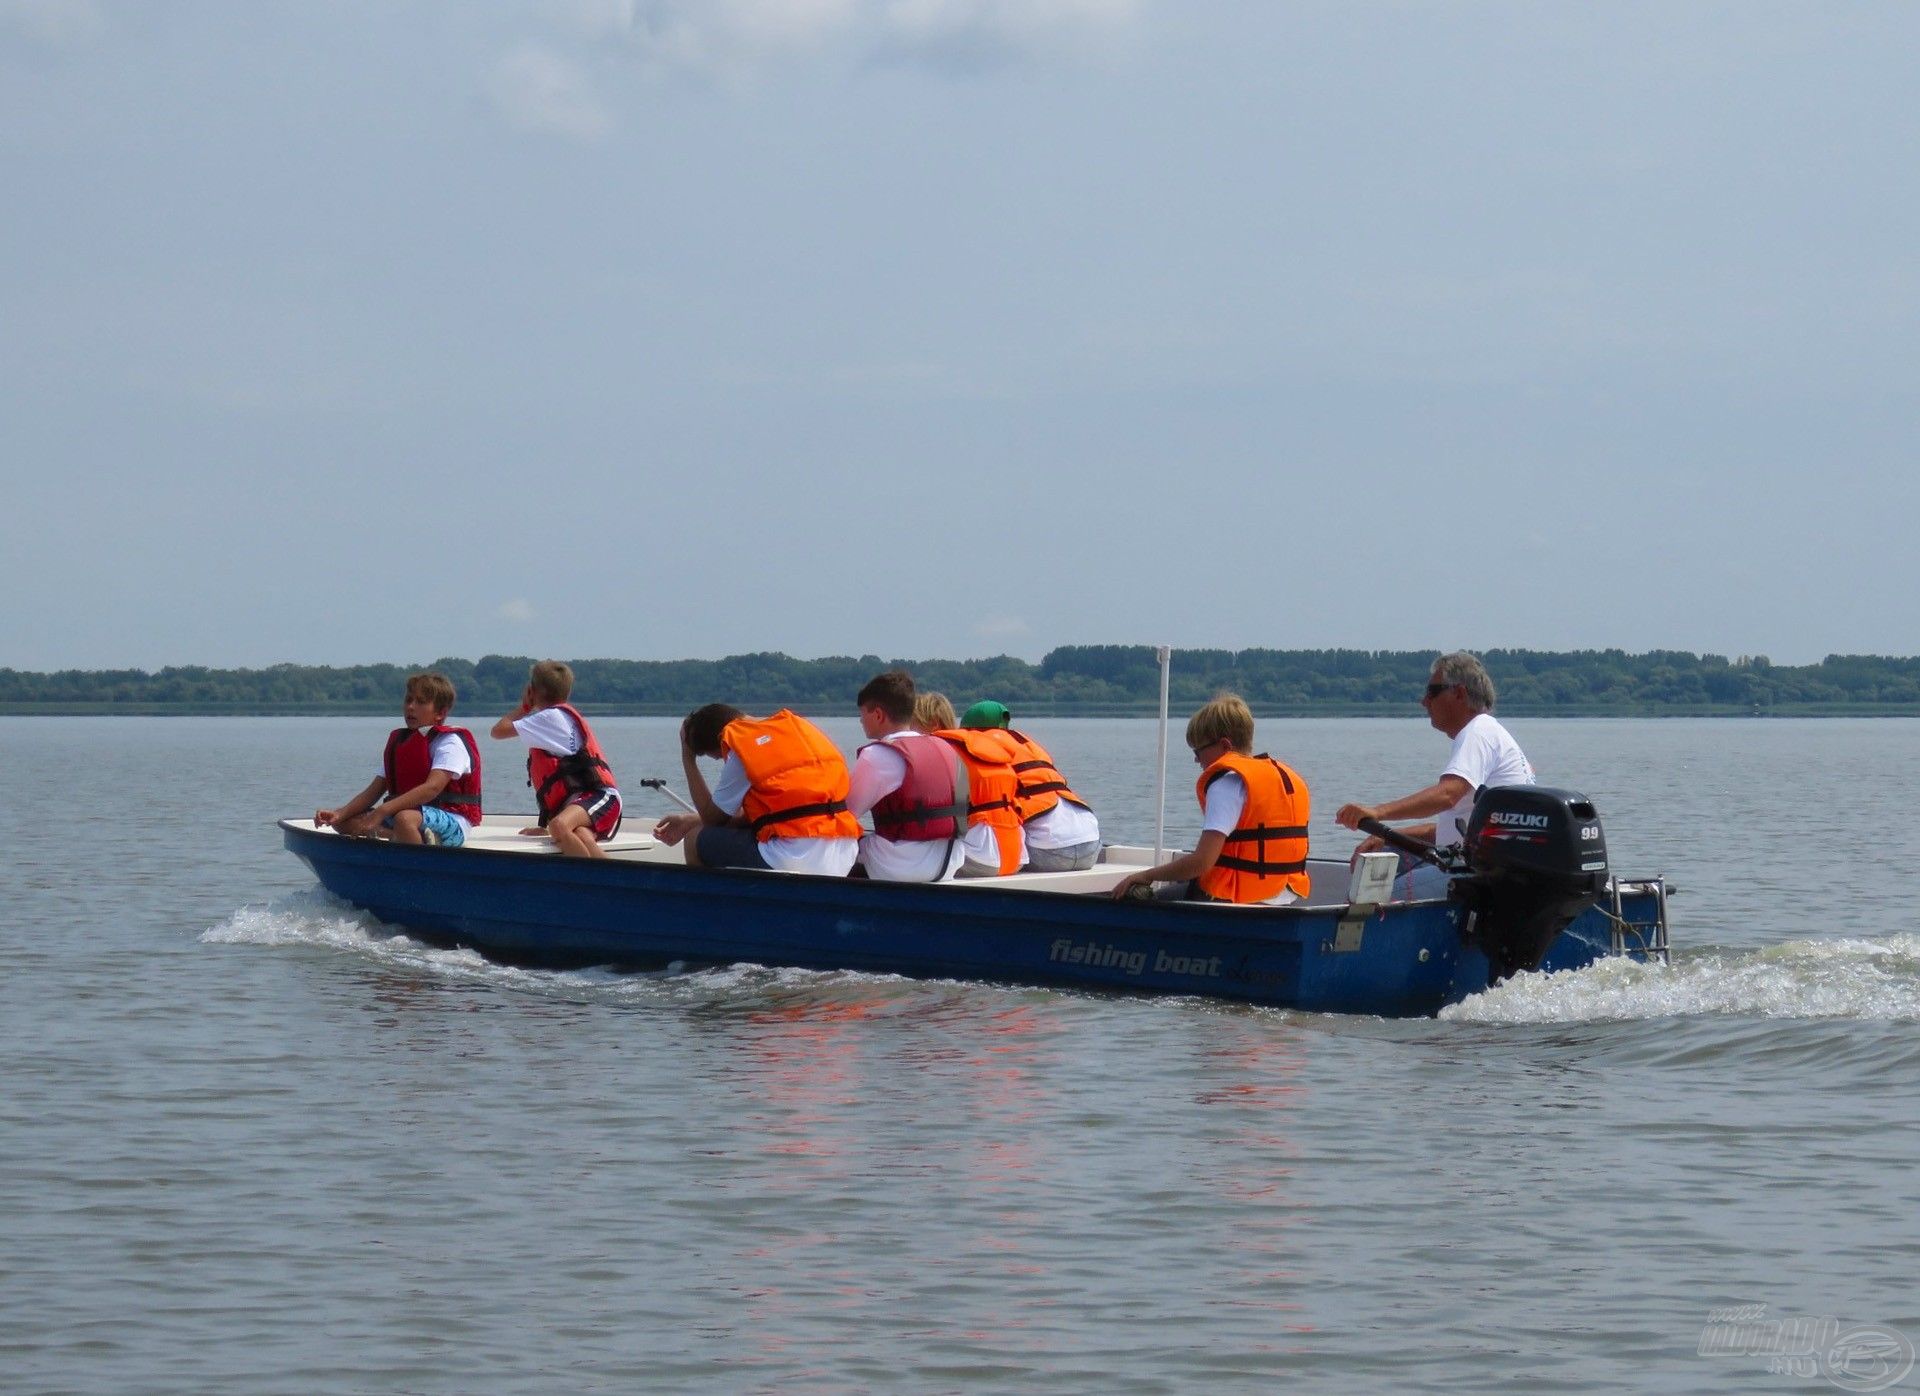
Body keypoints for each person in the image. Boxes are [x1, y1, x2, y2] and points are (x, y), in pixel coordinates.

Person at [1334, 650, 1535, 894]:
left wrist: (1377, 813)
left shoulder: (1478, 733)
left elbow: (1446, 795)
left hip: (1478, 872)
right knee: (1385, 855)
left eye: (1432, 692)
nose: (1424, 701)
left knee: (1369, 897)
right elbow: (1448, 831)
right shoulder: (1489, 733)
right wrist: (1388, 836)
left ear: (1459, 693)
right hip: (1488, 865)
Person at [1110, 692, 1309, 903]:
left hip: (1236, 900)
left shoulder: (1226, 784)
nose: (1196, 760)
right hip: (1285, 896)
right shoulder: (1287, 779)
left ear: (1224, 746)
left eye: (1198, 751)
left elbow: (1202, 862)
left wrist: (1145, 875)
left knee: (1140, 902)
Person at [652, 704, 862, 875]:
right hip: (842, 851)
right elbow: (774, 814)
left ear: (719, 742)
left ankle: (710, 918)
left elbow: (712, 819)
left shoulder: (742, 745)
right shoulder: (798, 729)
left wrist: (687, 756)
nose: (723, 759)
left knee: (694, 839)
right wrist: (690, 819)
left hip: (794, 856)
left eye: (716, 757)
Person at [315, 671, 483, 847]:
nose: (411, 707)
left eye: (420, 702)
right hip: (405, 815)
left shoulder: (450, 743)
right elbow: (374, 791)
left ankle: (419, 856)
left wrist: (383, 810)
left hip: (450, 819)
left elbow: (432, 788)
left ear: (440, 713)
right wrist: (340, 813)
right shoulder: (401, 744)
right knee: (344, 821)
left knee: (405, 819)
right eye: (408, 700)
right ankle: (404, 837)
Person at [489, 659, 620, 859]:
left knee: (559, 826)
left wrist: (524, 706)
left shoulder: (550, 718)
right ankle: (609, 883)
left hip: (599, 797)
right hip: (585, 801)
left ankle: (593, 884)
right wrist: (543, 826)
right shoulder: (555, 718)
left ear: (532, 690)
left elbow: (498, 731)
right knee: (582, 835)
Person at [845, 670, 968, 882]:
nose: (861, 721)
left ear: (878, 715)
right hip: (949, 862)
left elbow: (846, 812)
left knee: (837, 845)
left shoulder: (878, 755)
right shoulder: (947, 748)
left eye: (862, 714)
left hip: (901, 867)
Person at [959, 700, 1102, 872]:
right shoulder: (1027, 744)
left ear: (968, 729)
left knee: (972, 854)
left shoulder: (982, 750)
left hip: (1048, 853)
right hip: (1091, 844)